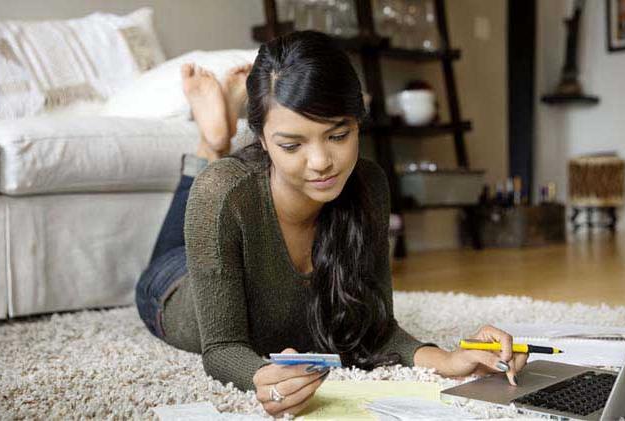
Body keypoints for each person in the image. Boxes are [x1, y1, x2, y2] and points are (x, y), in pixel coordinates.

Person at [136, 31, 528, 418]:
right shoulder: (223, 192)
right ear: (262, 140)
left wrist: (449, 359)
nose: (322, 162)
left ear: (358, 122)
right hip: (170, 285)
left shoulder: (369, 185)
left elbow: (377, 330)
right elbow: (222, 349)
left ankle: (217, 140)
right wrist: (260, 376)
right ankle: (213, 142)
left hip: (228, 210)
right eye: (292, 145)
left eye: (338, 135)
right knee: (196, 207)